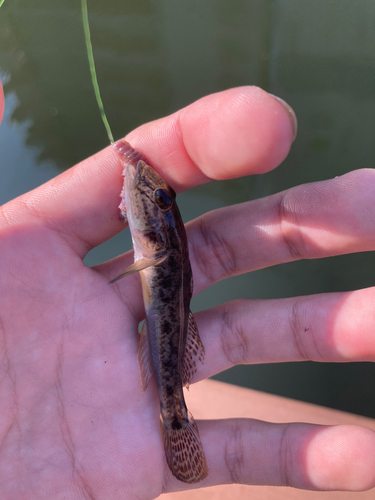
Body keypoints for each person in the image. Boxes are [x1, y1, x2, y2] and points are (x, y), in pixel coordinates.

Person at [0, 81, 374, 499]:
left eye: (159, 198)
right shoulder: (153, 241)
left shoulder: (154, 247)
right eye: (164, 199)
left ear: (156, 242)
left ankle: (175, 420)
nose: (155, 196)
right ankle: (176, 419)